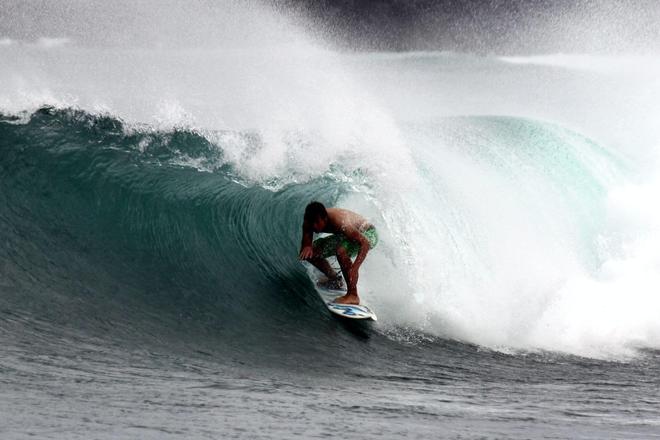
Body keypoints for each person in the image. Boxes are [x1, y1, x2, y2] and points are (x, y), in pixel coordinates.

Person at [298, 201, 378, 305]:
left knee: (341, 251)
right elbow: (306, 244)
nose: (314, 226)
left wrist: (355, 267)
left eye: (317, 222)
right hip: (346, 235)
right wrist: (307, 246)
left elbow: (365, 244)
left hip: (368, 234)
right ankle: (335, 279)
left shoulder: (340, 222)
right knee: (311, 253)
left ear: (325, 218)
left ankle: (353, 295)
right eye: (312, 223)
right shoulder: (309, 221)